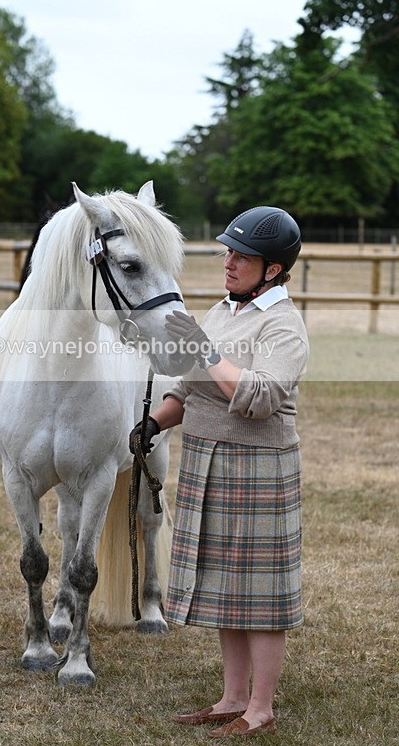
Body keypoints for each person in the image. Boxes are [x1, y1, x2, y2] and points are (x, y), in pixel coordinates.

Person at [130, 206, 309, 739]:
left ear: (273, 269)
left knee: (261, 598)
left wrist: (205, 350)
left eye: (242, 256)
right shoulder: (224, 311)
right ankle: (231, 698)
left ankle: (261, 707)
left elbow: (256, 396)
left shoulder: (283, 325)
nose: (228, 262)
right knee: (228, 591)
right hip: (208, 461)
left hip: (258, 467)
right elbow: (188, 385)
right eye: (227, 251)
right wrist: (154, 423)